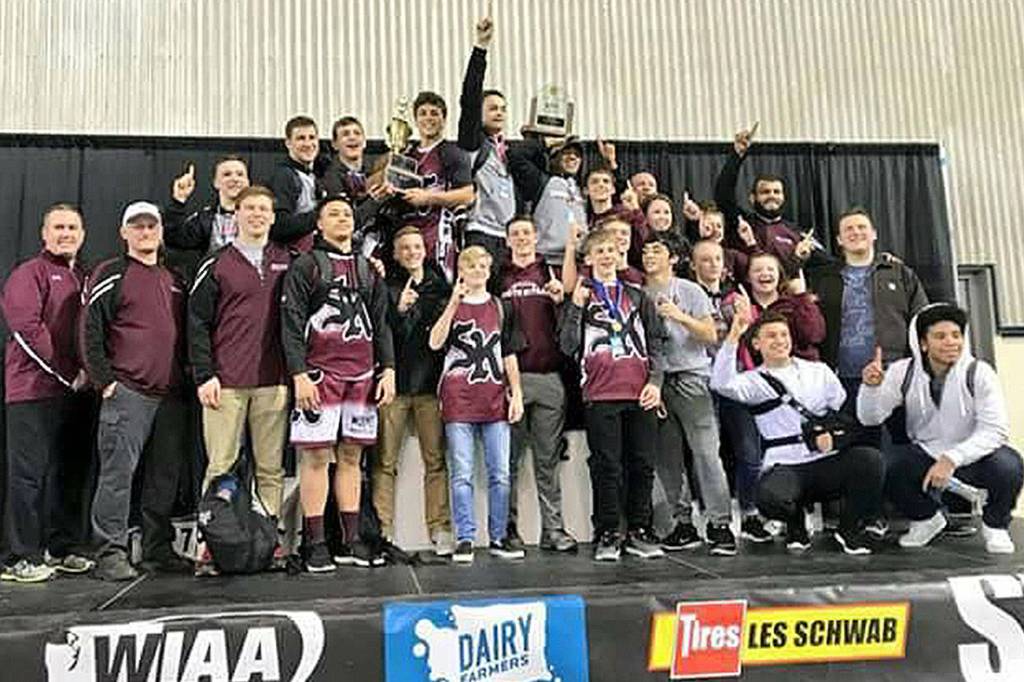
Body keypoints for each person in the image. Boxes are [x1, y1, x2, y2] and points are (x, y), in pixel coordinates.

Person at [280, 195, 396, 572]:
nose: (343, 218)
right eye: (333, 213)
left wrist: (389, 368)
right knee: (315, 457)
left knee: (351, 458)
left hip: (361, 376)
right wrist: (299, 374)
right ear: (319, 223)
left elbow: (381, 323)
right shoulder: (306, 266)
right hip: (320, 374)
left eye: (347, 213)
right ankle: (314, 542)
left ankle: (351, 539)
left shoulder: (368, 268)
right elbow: (291, 323)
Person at [711, 307, 885, 555]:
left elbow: (845, 414)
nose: (779, 340)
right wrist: (733, 336)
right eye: (771, 336)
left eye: (784, 334)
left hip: (825, 458)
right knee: (769, 498)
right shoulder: (753, 381)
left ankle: (848, 530)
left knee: (871, 461)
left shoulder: (819, 371)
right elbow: (721, 383)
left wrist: (835, 437)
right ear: (757, 344)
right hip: (786, 464)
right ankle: (795, 523)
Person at [80, 201, 191, 580]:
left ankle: (157, 549)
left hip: (170, 396)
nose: (145, 232)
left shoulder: (175, 279)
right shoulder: (112, 273)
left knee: (164, 478)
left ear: (160, 232)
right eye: (137, 226)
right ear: (124, 232)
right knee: (117, 476)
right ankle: (110, 552)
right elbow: (90, 328)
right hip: (128, 392)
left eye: (151, 226)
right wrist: (104, 380)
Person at [858, 303, 1023, 554]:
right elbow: (870, 418)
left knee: (1009, 465)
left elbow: (995, 431)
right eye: (940, 336)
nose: (951, 342)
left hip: (974, 454)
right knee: (887, 466)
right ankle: (926, 519)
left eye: (956, 335)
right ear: (923, 343)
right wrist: (871, 389)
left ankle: (996, 526)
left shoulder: (979, 372)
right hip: (927, 452)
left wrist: (952, 458)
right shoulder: (903, 372)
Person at [187, 186, 292, 574]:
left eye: (264, 208)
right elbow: (197, 322)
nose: (257, 214)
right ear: (237, 214)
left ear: (273, 217)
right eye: (250, 208)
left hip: (273, 381)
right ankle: (210, 547)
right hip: (226, 383)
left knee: (270, 469)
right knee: (221, 466)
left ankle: (270, 542)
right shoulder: (216, 263)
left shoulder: (287, 261)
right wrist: (205, 374)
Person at [559, 229, 667, 562]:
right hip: (600, 392)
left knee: (642, 464)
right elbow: (567, 345)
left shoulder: (637, 296)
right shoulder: (581, 296)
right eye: (600, 251)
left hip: (640, 392)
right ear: (589, 259)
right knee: (607, 466)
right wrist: (576, 308)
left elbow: (656, 342)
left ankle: (639, 529)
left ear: (620, 256)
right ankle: (607, 531)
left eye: (611, 250)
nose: (607, 256)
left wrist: (656, 382)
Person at [1, 203, 92, 583]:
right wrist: (68, 373)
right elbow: (27, 330)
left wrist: (88, 375)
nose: (65, 234)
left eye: (72, 228)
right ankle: (19, 557)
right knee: (29, 476)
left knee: (69, 474)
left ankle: (62, 547)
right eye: (58, 227)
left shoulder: (83, 277)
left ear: (82, 235)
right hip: (32, 392)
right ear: (44, 233)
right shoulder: (29, 274)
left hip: (77, 393)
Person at [717, 250, 826, 541]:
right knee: (749, 452)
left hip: (793, 389)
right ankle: (753, 512)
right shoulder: (738, 304)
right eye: (758, 270)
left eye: (770, 269)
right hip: (750, 386)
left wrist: (802, 299)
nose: (764, 275)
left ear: (780, 276)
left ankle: (795, 510)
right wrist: (739, 320)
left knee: (799, 449)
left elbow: (815, 334)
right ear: (748, 276)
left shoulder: (793, 303)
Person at [429, 246, 525, 564]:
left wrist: (516, 393)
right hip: (459, 399)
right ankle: (465, 537)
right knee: (462, 474)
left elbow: (508, 353)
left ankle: (498, 536)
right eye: (472, 266)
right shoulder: (449, 304)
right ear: (461, 271)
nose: (478, 271)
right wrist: (453, 303)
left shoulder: (500, 306)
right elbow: (435, 342)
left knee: (500, 473)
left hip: (494, 399)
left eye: (483, 266)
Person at [642, 234, 736, 555]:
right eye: (646, 251)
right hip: (657, 381)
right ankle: (682, 523)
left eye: (657, 250)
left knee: (706, 453)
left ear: (673, 258)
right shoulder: (638, 293)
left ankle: (720, 523)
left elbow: (710, 335)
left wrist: (679, 315)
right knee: (667, 459)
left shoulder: (690, 290)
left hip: (692, 377)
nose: (649, 255)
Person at [807, 207, 928, 427]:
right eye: (848, 229)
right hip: (843, 380)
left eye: (861, 227)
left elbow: (922, 322)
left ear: (874, 234)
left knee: (900, 443)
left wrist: (918, 368)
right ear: (839, 240)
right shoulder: (824, 279)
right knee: (858, 445)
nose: (856, 232)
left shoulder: (900, 274)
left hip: (894, 376)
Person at [499, 216, 577, 553]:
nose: (521, 238)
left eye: (526, 233)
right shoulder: (497, 276)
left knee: (548, 462)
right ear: (507, 240)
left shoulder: (551, 273)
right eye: (515, 234)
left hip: (548, 377)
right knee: (508, 463)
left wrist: (561, 302)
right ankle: (507, 530)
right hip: (509, 381)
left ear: (536, 237)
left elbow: (573, 321)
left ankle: (554, 530)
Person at [374, 226, 453, 555]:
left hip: (430, 385)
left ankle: (440, 527)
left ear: (425, 249)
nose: (411, 252)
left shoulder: (440, 286)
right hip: (395, 386)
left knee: (435, 460)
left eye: (416, 246)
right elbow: (380, 332)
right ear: (395, 254)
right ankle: (382, 529)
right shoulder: (385, 287)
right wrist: (399, 310)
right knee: (384, 461)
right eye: (404, 248)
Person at [714, 124, 824, 278]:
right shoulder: (742, 223)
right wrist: (737, 156)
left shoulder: (797, 233)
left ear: (783, 197)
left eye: (776, 192)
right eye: (765, 192)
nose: (772, 195)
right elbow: (723, 195)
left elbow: (828, 264)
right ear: (752, 198)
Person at [393, 91, 475, 283]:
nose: (428, 118)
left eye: (434, 113)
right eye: (423, 113)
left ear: (444, 119)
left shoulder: (452, 152)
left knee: (439, 285)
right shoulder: (406, 154)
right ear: (415, 120)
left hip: (436, 230)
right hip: (408, 231)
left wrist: (428, 198)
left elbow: (468, 195)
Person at [456, 9, 516, 266]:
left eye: (503, 109)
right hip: (481, 233)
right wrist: (481, 49)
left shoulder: (511, 151)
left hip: (510, 238)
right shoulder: (474, 143)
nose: (499, 113)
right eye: (492, 108)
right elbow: (470, 98)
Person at [508, 134, 587, 267]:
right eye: (566, 153)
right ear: (553, 158)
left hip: (578, 261)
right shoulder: (540, 181)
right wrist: (543, 143)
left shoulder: (582, 188)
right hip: (548, 261)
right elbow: (516, 155)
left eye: (577, 155)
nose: (573, 157)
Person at [164, 156, 250, 254]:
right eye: (227, 174)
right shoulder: (203, 220)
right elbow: (173, 239)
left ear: (248, 182)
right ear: (216, 183)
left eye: (240, 174)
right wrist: (178, 200)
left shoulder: (261, 216)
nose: (234, 179)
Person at [269, 115, 324, 252]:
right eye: (301, 138)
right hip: (292, 256)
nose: (308, 144)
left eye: (312, 137)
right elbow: (280, 226)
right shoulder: (283, 176)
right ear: (288, 143)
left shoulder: (316, 174)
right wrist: (324, 214)